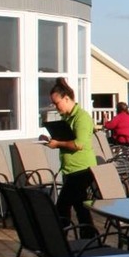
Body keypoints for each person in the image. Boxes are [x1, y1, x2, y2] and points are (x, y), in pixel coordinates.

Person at [44, 78, 96, 236]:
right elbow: (65, 140)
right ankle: (89, 239)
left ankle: (59, 240)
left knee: (62, 206)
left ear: (66, 98)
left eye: (57, 103)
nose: (56, 107)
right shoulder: (66, 118)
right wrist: (52, 141)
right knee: (80, 207)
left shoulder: (82, 117)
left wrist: (58, 143)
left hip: (82, 170)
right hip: (69, 170)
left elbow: (78, 144)